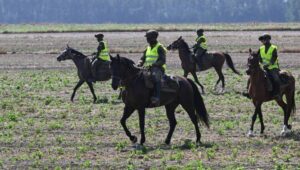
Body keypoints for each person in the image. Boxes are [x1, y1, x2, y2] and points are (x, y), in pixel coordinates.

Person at [137, 30, 167, 106]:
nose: (147, 39)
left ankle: (156, 97)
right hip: (146, 68)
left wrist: (153, 65)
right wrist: (140, 63)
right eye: (147, 38)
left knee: (155, 77)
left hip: (158, 69)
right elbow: (143, 58)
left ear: (154, 38)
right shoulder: (148, 48)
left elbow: (162, 60)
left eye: (148, 38)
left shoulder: (160, 47)